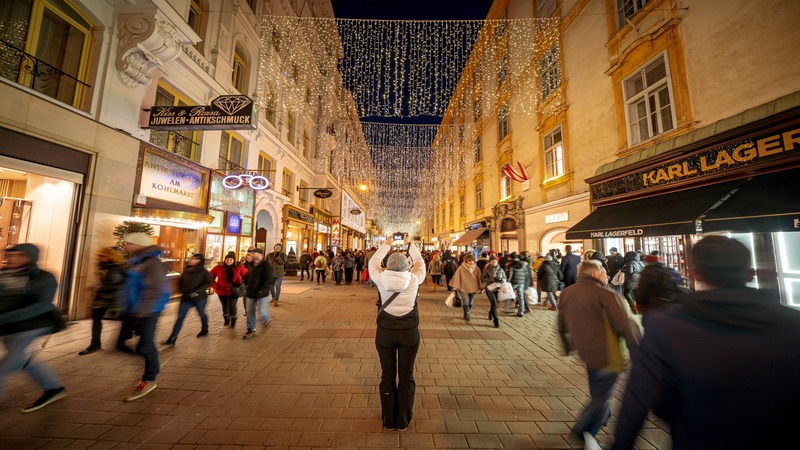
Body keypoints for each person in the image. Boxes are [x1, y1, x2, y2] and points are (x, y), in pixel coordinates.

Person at [612, 236, 800, 450]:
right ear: (750, 273)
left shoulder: (666, 328)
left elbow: (637, 398)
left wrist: (622, 443)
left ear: (695, 273)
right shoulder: (793, 324)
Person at [557, 260, 641, 440]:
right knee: (602, 398)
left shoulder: (567, 292)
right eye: (604, 271)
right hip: (608, 353)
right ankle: (584, 431)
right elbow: (627, 326)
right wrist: (639, 354)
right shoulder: (606, 294)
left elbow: (561, 323)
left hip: (586, 351)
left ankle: (601, 418)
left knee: (598, 390)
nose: (607, 275)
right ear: (594, 274)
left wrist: (566, 345)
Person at [0, 243, 66, 412]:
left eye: (20, 255)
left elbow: (42, 305)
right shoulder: (4, 275)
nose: (13, 258)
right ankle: (53, 387)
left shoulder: (44, 278)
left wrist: (5, 317)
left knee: (5, 366)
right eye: (12, 255)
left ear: (31, 257)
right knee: (22, 360)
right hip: (8, 328)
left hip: (33, 325)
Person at [369, 241, 426, 431]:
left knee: (387, 375)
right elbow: (420, 262)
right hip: (410, 334)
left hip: (385, 333)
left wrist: (386, 244)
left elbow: (374, 260)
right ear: (407, 266)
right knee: (406, 375)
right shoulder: (415, 279)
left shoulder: (379, 278)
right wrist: (411, 245)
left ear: (387, 265)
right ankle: (403, 420)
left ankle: (388, 420)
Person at [120, 232, 170, 401]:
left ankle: (150, 378)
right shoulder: (136, 261)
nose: (125, 246)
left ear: (138, 244)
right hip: (134, 310)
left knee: (145, 346)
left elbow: (157, 290)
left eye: (127, 243)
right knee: (127, 345)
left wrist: (143, 310)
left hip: (148, 310)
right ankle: (150, 372)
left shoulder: (152, 263)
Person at [79, 247, 126, 355]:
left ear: (110, 256)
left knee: (124, 320)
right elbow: (100, 283)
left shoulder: (120, 268)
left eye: (102, 256)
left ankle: (121, 342)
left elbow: (121, 284)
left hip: (114, 298)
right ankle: (95, 344)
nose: (99, 258)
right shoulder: (101, 266)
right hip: (102, 298)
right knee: (96, 319)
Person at [164, 254, 211, 346]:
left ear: (198, 261)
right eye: (191, 258)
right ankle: (172, 338)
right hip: (186, 298)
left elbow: (208, 283)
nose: (191, 260)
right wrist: (181, 289)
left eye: (193, 259)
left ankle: (205, 328)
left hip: (199, 298)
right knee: (180, 318)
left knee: (201, 313)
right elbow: (180, 281)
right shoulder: (187, 270)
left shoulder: (204, 272)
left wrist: (197, 290)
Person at [633, 262, 685, 328]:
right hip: (671, 307)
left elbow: (642, 290)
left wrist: (639, 304)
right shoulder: (669, 270)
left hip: (653, 308)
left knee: (651, 329)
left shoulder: (647, 272)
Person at [209, 252, 247, 328]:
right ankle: (226, 319)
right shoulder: (219, 267)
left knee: (232, 306)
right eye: (227, 259)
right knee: (224, 306)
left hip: (233, 290)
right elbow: (210, 276)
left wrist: (244, 285)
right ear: (225, 260)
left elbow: (246, 276)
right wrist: (215, 285)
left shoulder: (238, 268)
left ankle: (233, 320)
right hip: (221, 291)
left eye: (230, 259)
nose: (228, 261)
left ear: (234, 260)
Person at [243, 248, 274, 340]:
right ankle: (251, 329)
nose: (252, 255)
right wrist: (246, 284)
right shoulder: (251, 265)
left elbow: (269, 279)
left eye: (254, 253)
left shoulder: (267, 266)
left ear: (261, 255)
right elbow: (248, 276)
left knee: (262, 311)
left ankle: (266, 320)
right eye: (252, 253)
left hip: (262, 293)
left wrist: (262, 289)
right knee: (250, 312)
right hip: (251, 292)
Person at [449, 253, 483, 322]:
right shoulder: (461, 268)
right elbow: (456, 277)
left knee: (471, 301)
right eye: (469, 260)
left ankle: (467, 312)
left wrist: (481, 286)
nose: (471, 262)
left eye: (472, 260)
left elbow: (479, 278)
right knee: (466, 300)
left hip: (473, 288)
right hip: (463, 287)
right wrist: (455, 288)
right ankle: (467, 314)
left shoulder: (477, 269)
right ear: (466, 261)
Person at [481, 254, 506, 328]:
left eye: (495, 261)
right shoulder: (486, 269)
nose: (494, 262)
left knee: (495, 304)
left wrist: (501, 280)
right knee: (494, 303)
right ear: (490, 262)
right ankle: (496, 320)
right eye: (492, 261)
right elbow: (483, 279)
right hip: (489, 288)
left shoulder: (500, 269)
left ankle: (491, 312)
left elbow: (505, 278)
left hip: (498, 288)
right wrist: (493, 279)